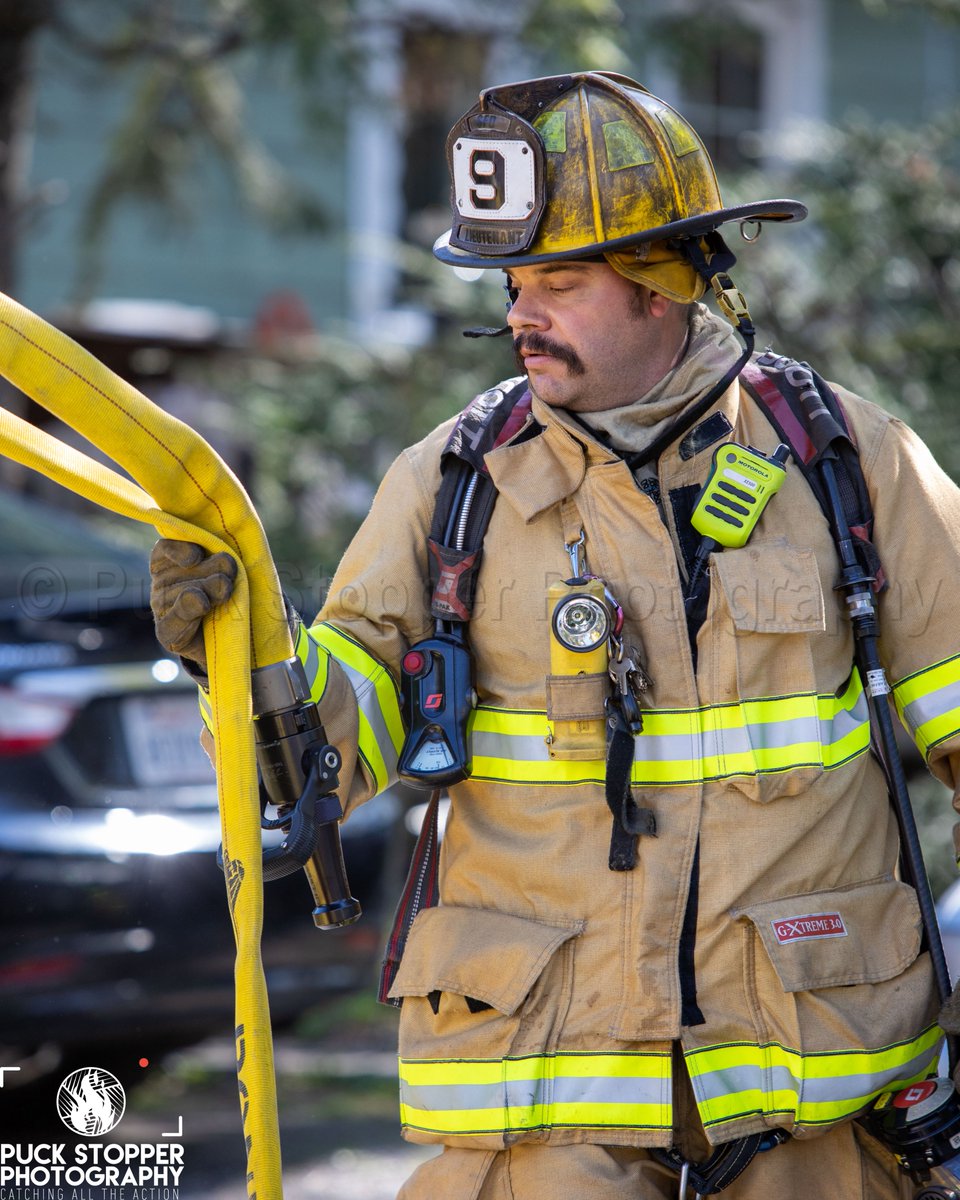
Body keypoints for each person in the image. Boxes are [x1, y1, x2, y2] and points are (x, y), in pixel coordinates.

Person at [150, 72, 960, 1199]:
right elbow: (345, 750)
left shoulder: (850, 468)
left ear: (664, 282)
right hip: (542, 1104)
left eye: (559, 280)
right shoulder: (449, 485)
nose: (521, 311)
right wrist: (242, 653)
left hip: (815, 1092)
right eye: (515, 281)